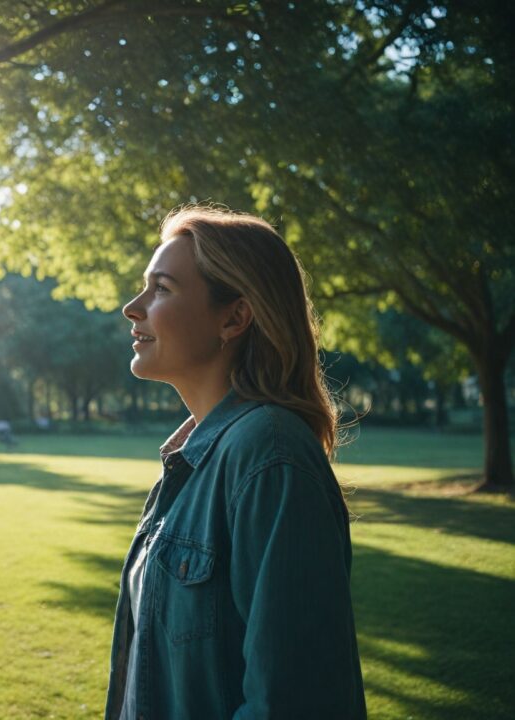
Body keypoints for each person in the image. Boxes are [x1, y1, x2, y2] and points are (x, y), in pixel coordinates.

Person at [106, 206, 367, 719]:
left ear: (234, 317)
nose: (132, 308)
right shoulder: (194, 458)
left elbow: (290, 703)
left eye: (161, 288)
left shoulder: (269, 456)